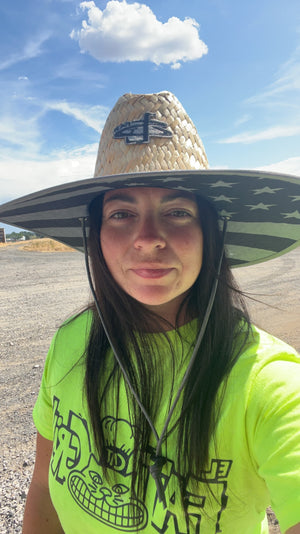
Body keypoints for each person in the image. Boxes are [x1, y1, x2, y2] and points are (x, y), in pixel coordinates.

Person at [0, 92, 299, 534]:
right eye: (121, 213)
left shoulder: (268, 381)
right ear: (95, 233)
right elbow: (43, 485)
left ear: (209, 231)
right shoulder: (70, 340)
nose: (148, 238)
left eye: (177, 211)